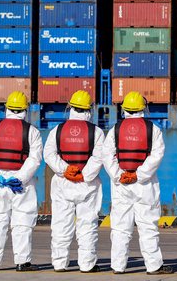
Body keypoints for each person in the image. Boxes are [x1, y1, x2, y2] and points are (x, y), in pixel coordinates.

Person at [102, 91, 173, 275]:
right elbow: (157, 156)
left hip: (121, 186)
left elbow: (107, 156)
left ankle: (118, 266)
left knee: (119, 228)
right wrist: (138, 175)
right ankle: (153, 266)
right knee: (148, 226)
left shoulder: (115, 130)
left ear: (124, 108)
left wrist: (119, 175)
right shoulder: (153, 129)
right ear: (143, 108)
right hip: (145, 185)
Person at [0, 91, 42, 272]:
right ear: (25, 109)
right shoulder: (32, 132)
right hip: (21, 184)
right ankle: (22, 262)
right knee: (22, 222)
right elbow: (34, 159)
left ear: (7, 108)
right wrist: (19, 178)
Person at [43, 90, 104, 273]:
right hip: (87, 184)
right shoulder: (97, 132)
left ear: (70, 107)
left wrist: (65, 170)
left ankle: (59, 263)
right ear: (89, 109)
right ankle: (86, 265)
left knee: (61, 225)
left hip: (63, 183)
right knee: (87, 225)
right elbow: (99, 157)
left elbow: (49, 154)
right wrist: (84, 174)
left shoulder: (57, 130)